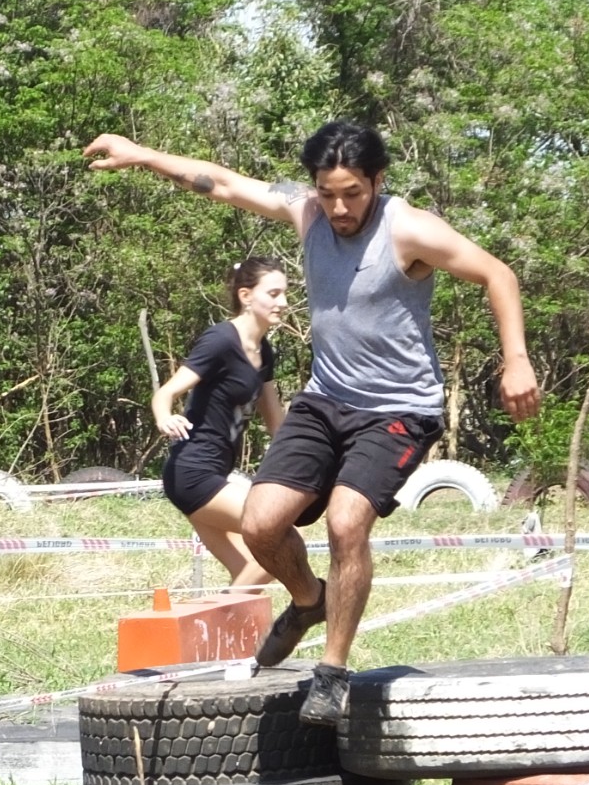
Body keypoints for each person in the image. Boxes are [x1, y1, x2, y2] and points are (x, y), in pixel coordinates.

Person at [84, 120, 541, 725]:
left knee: (347, 523)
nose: (340, 208)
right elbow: (222, 183)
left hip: (399, 408)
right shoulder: (308, 214)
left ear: (377, 181)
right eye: (328, 194)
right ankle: (308, 599)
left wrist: (516, 359)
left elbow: (498, 274)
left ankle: (332, 671)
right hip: (326, 399)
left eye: (353, 193)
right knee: (260, 522)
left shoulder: (409, 228)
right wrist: (141, 154)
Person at [152, 257, 288, 584]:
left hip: (216, 473)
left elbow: (277, 426)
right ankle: (222, 613)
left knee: (250, 571)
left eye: (285, 294)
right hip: (192, 474)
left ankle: (229, 614)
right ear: (246, 296)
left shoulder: (264, 352)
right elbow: (165, 393)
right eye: (273, 294)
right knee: (279, 541)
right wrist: (164, 418)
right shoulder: (220, 341)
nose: (283, 303)